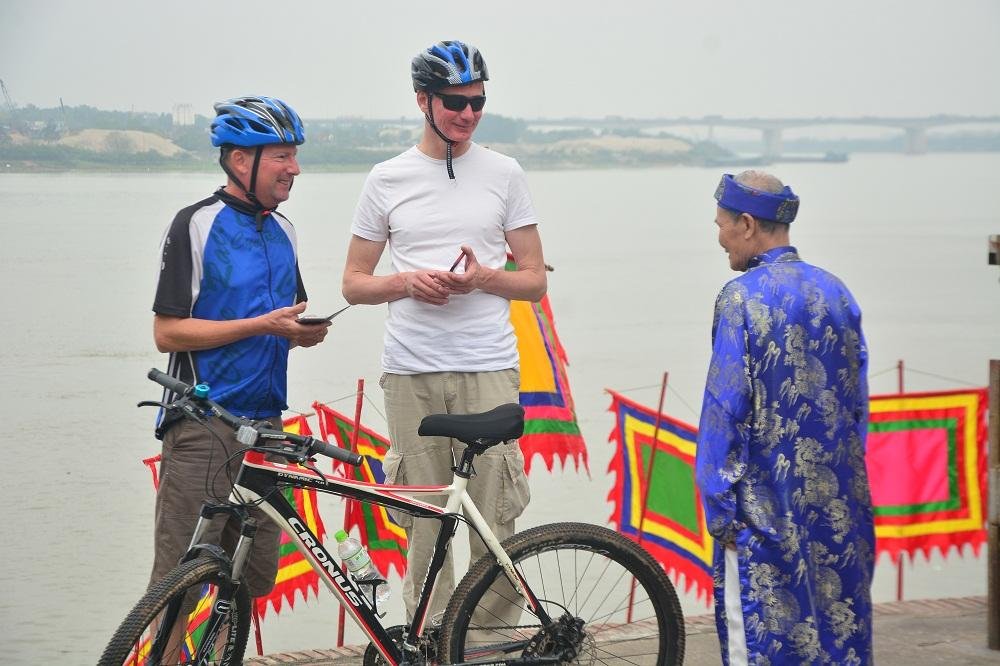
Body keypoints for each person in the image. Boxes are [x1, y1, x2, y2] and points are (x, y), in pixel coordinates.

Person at [342, 40, 546, 620]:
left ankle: (491, 650)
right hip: (411, 371)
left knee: (494, 524)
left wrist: (482, 276)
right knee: (426, 526)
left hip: (488, 366)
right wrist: (407, 283)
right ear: (423, 100)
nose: (468, 114)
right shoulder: (386, 179)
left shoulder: (505, 173)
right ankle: (429, 646)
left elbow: (532, 281)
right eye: (455, 102)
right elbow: (354, 284)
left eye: (478, 102)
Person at [149, 96, 330, 602]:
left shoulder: (283, 230)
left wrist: (297, 332)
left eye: (294, 155)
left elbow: (281, 321)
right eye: (281, 156)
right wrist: (260, 326)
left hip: (268, 425)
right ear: (239, 160)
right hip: (204, 422)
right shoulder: (196, 223)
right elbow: (168, 332)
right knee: (176, 582)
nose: (294, 168)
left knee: (252, 579)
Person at [695, 170, 875, 665]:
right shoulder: (836, 292)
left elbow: (724, 411)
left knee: (761, 641)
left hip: (764, 513)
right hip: (838, 505)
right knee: (837, 636)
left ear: (747, 224)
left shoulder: (741, 298)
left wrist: (720, 505)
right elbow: (856, 406)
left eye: (721, 225)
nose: (719, 237)